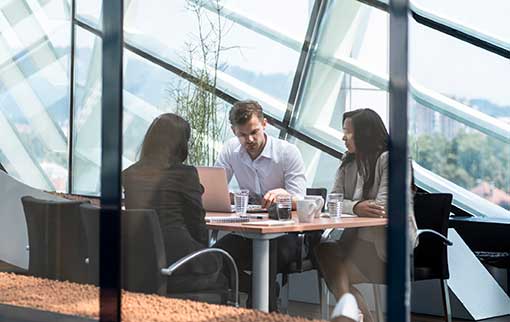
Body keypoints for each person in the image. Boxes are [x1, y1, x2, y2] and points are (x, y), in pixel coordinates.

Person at [316, 109, 418, 322]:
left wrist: (352, 206)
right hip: (358, 244)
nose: (343, 137)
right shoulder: (348, 162)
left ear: (365, 134)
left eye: (348, 132)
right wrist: (356, 207)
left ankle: (352, 312)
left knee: (334, 271)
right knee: (323, 250)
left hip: (388, 250)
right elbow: (332, 200)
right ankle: (355, 313)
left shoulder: (391, 159)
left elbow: (382, 207)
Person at [214, 100, 307, 310]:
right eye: (242, 135)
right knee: (216, 258)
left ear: (265, 124)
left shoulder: (287, 153)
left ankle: (258, 312)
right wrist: (225, 196)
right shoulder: (230, 150)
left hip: (286, 236)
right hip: (250, 234)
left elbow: (300, 199)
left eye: (254, 132)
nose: (249, 139)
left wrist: (284, 195)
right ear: (233, 131)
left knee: (266, 258)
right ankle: (263, 293)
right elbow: (215, 187)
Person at [123, 113, 226, 295]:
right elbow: (198, 227)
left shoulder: (129, 174)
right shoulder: (185, 174)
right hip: (178, 266)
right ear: (181, 144)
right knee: (222, 266)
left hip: (139, 266)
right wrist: (201, 253)